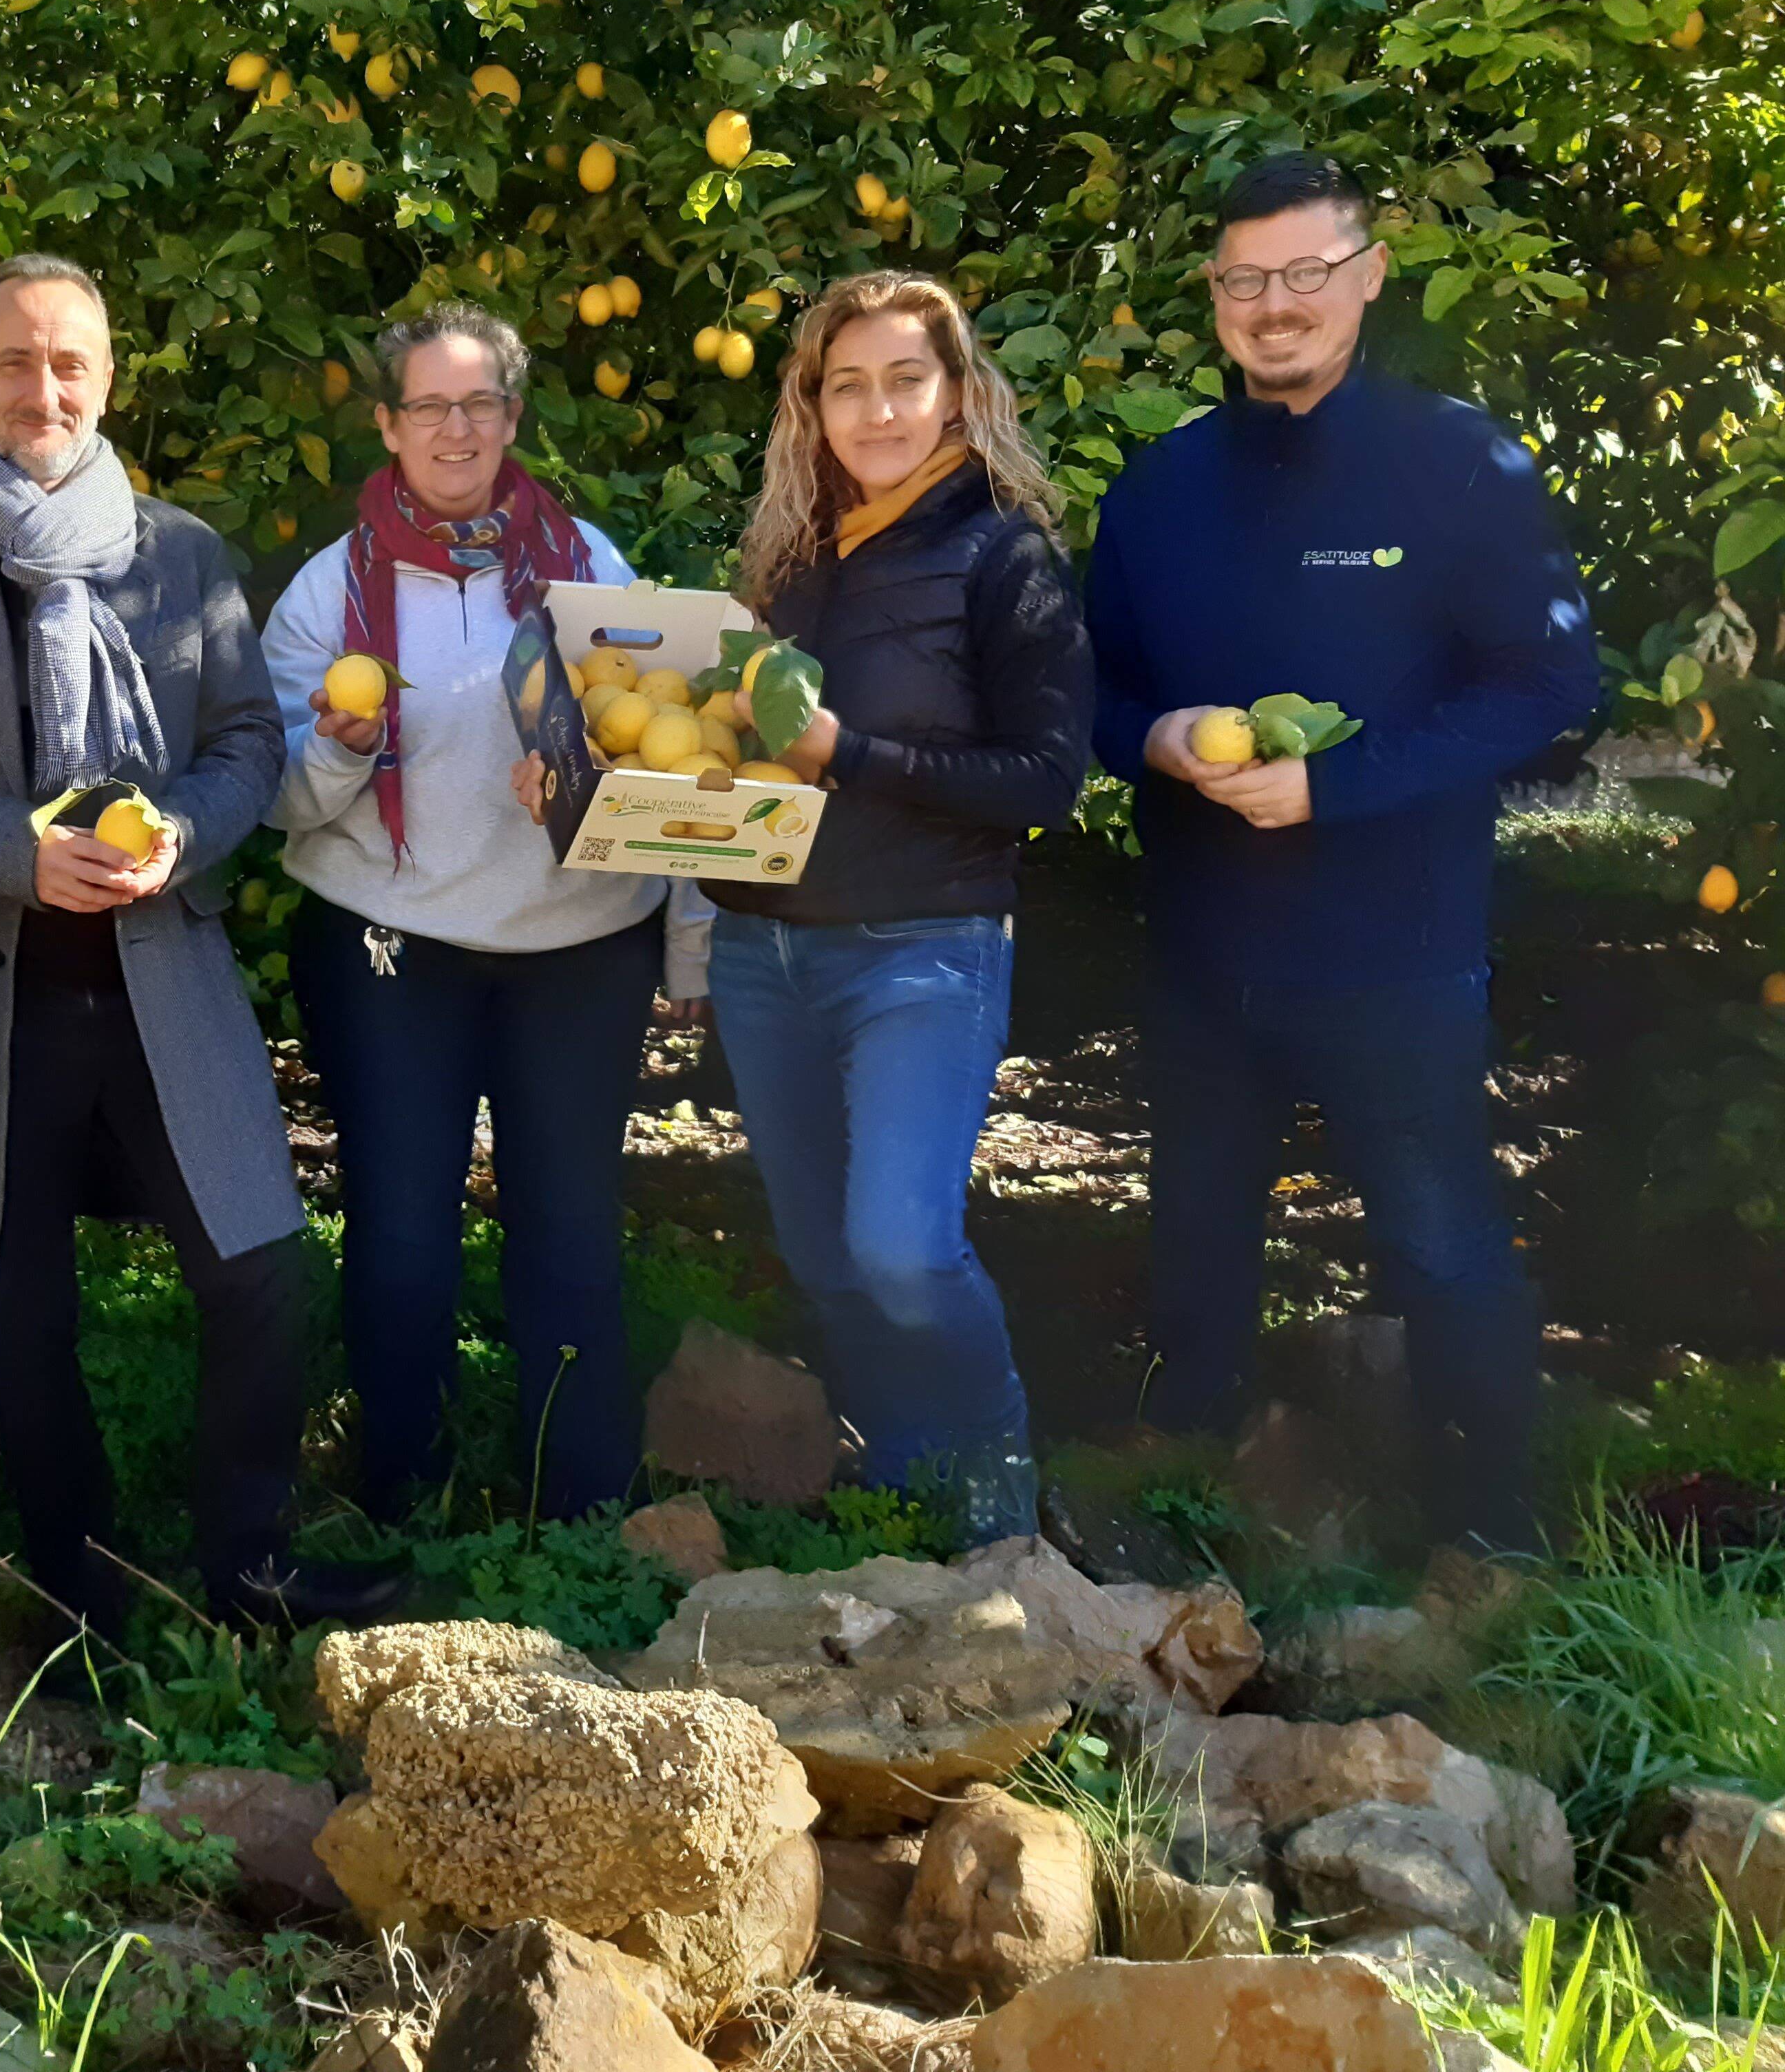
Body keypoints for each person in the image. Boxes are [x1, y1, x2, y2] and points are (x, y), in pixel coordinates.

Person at [0, 254, 394, 1641]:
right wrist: (12, 853)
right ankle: (77, 1588)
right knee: (24, 1313)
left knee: (259, 1268)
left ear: (108, 380)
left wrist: (179, 838)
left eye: (70, 362)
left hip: (159, 978)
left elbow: (248, 743)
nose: (44, 389)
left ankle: (250, 1561)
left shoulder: (179, 555)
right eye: (14, 362)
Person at [1087, 150, 1596, 1551]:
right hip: (1205, 950)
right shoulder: (1160, 490)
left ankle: (1492, 1543)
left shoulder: (1459, 464)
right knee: (1197, 1239)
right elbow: (1095, 692)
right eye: (1246, 280)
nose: (1277, 304)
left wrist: (1342, 785)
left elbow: (1551, 681)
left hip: (1396, 948)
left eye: (1307, 271)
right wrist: (1156, 738)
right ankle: (1185, 1530)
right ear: (1214, 296)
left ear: (1368, 277)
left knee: (1439, 1241)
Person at [260, 302, 710, 1523]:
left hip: (581, 949)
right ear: (388, 424)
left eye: (479, 405)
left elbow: (674, 764)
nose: (454, 429)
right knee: (402, 1235)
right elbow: (280, 801)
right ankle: (404, 1496)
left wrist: (684, 939)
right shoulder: (328, 592)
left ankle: (584, 1506)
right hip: (389, 948)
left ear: (512, 418)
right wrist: (345, 749)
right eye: (429, 406)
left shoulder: (592, 570)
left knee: (569, 1230)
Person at [677, 268, 1091, 1547]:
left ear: (959, 393)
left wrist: (848, 755)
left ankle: (997, 1494)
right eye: (847, 386)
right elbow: (742, 763)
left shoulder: (1005, 557)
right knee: (824, 1259)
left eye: (906, 379)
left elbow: (1048, 780)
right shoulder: (793, 562)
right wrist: (610, 786)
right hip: (765, 953)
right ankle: (906, 1493)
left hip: (923, 947)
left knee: (904, 1250)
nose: (879, 410)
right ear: (813, 409)